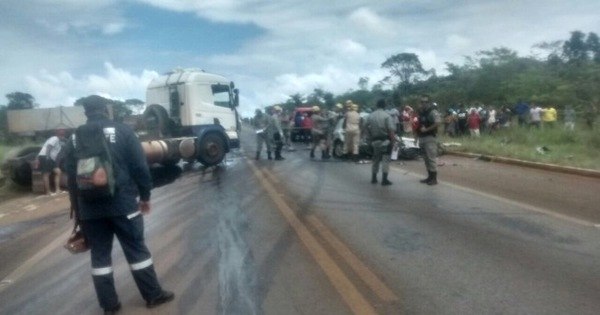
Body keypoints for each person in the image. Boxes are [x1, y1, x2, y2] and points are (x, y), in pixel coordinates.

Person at [62, 95, 174, 314]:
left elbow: (69, 176)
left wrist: (78, 210)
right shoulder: (122, 131)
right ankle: (153, 295)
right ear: (106, 110)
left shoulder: (74, 139)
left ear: (86, 113)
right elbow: (140, 167)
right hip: (122, 205)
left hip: (90, 210)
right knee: (136, 250)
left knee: (100, 257)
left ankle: (109, 305)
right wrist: (145, 197)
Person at [365, 99, 396, 186]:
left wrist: (369, 137)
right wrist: (393, 141)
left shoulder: (371, 115)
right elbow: (391, 130)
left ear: (377, 105)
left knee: (375, 159)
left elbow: (365, 126)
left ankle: (374, 178)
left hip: (375, 140)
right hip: (385, 141)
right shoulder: (387, 116)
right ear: (384, 106)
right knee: (385, 160)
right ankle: (384, 179)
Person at [416, 95, 442, 185]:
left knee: (431, 158)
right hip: (422, 137)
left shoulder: (432, 112)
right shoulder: (421, 112)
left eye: (425, 102)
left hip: (430, 137)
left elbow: (438, 122)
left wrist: (427, 129)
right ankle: (429, 177)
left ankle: (434, 179)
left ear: (429, 103)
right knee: (426, 159)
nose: (423, 104)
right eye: (422, 102)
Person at [36, 129, 67, 195]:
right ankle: (48, 192)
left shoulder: (57, 141)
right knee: (46, 174)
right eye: (62, 135)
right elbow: (49, 147)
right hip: (46, 157)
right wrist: (47, 157)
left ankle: (58, 190)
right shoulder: (55, 138)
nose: (63, 137)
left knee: (58, 171)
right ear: (60, 135)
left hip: (50, 158)